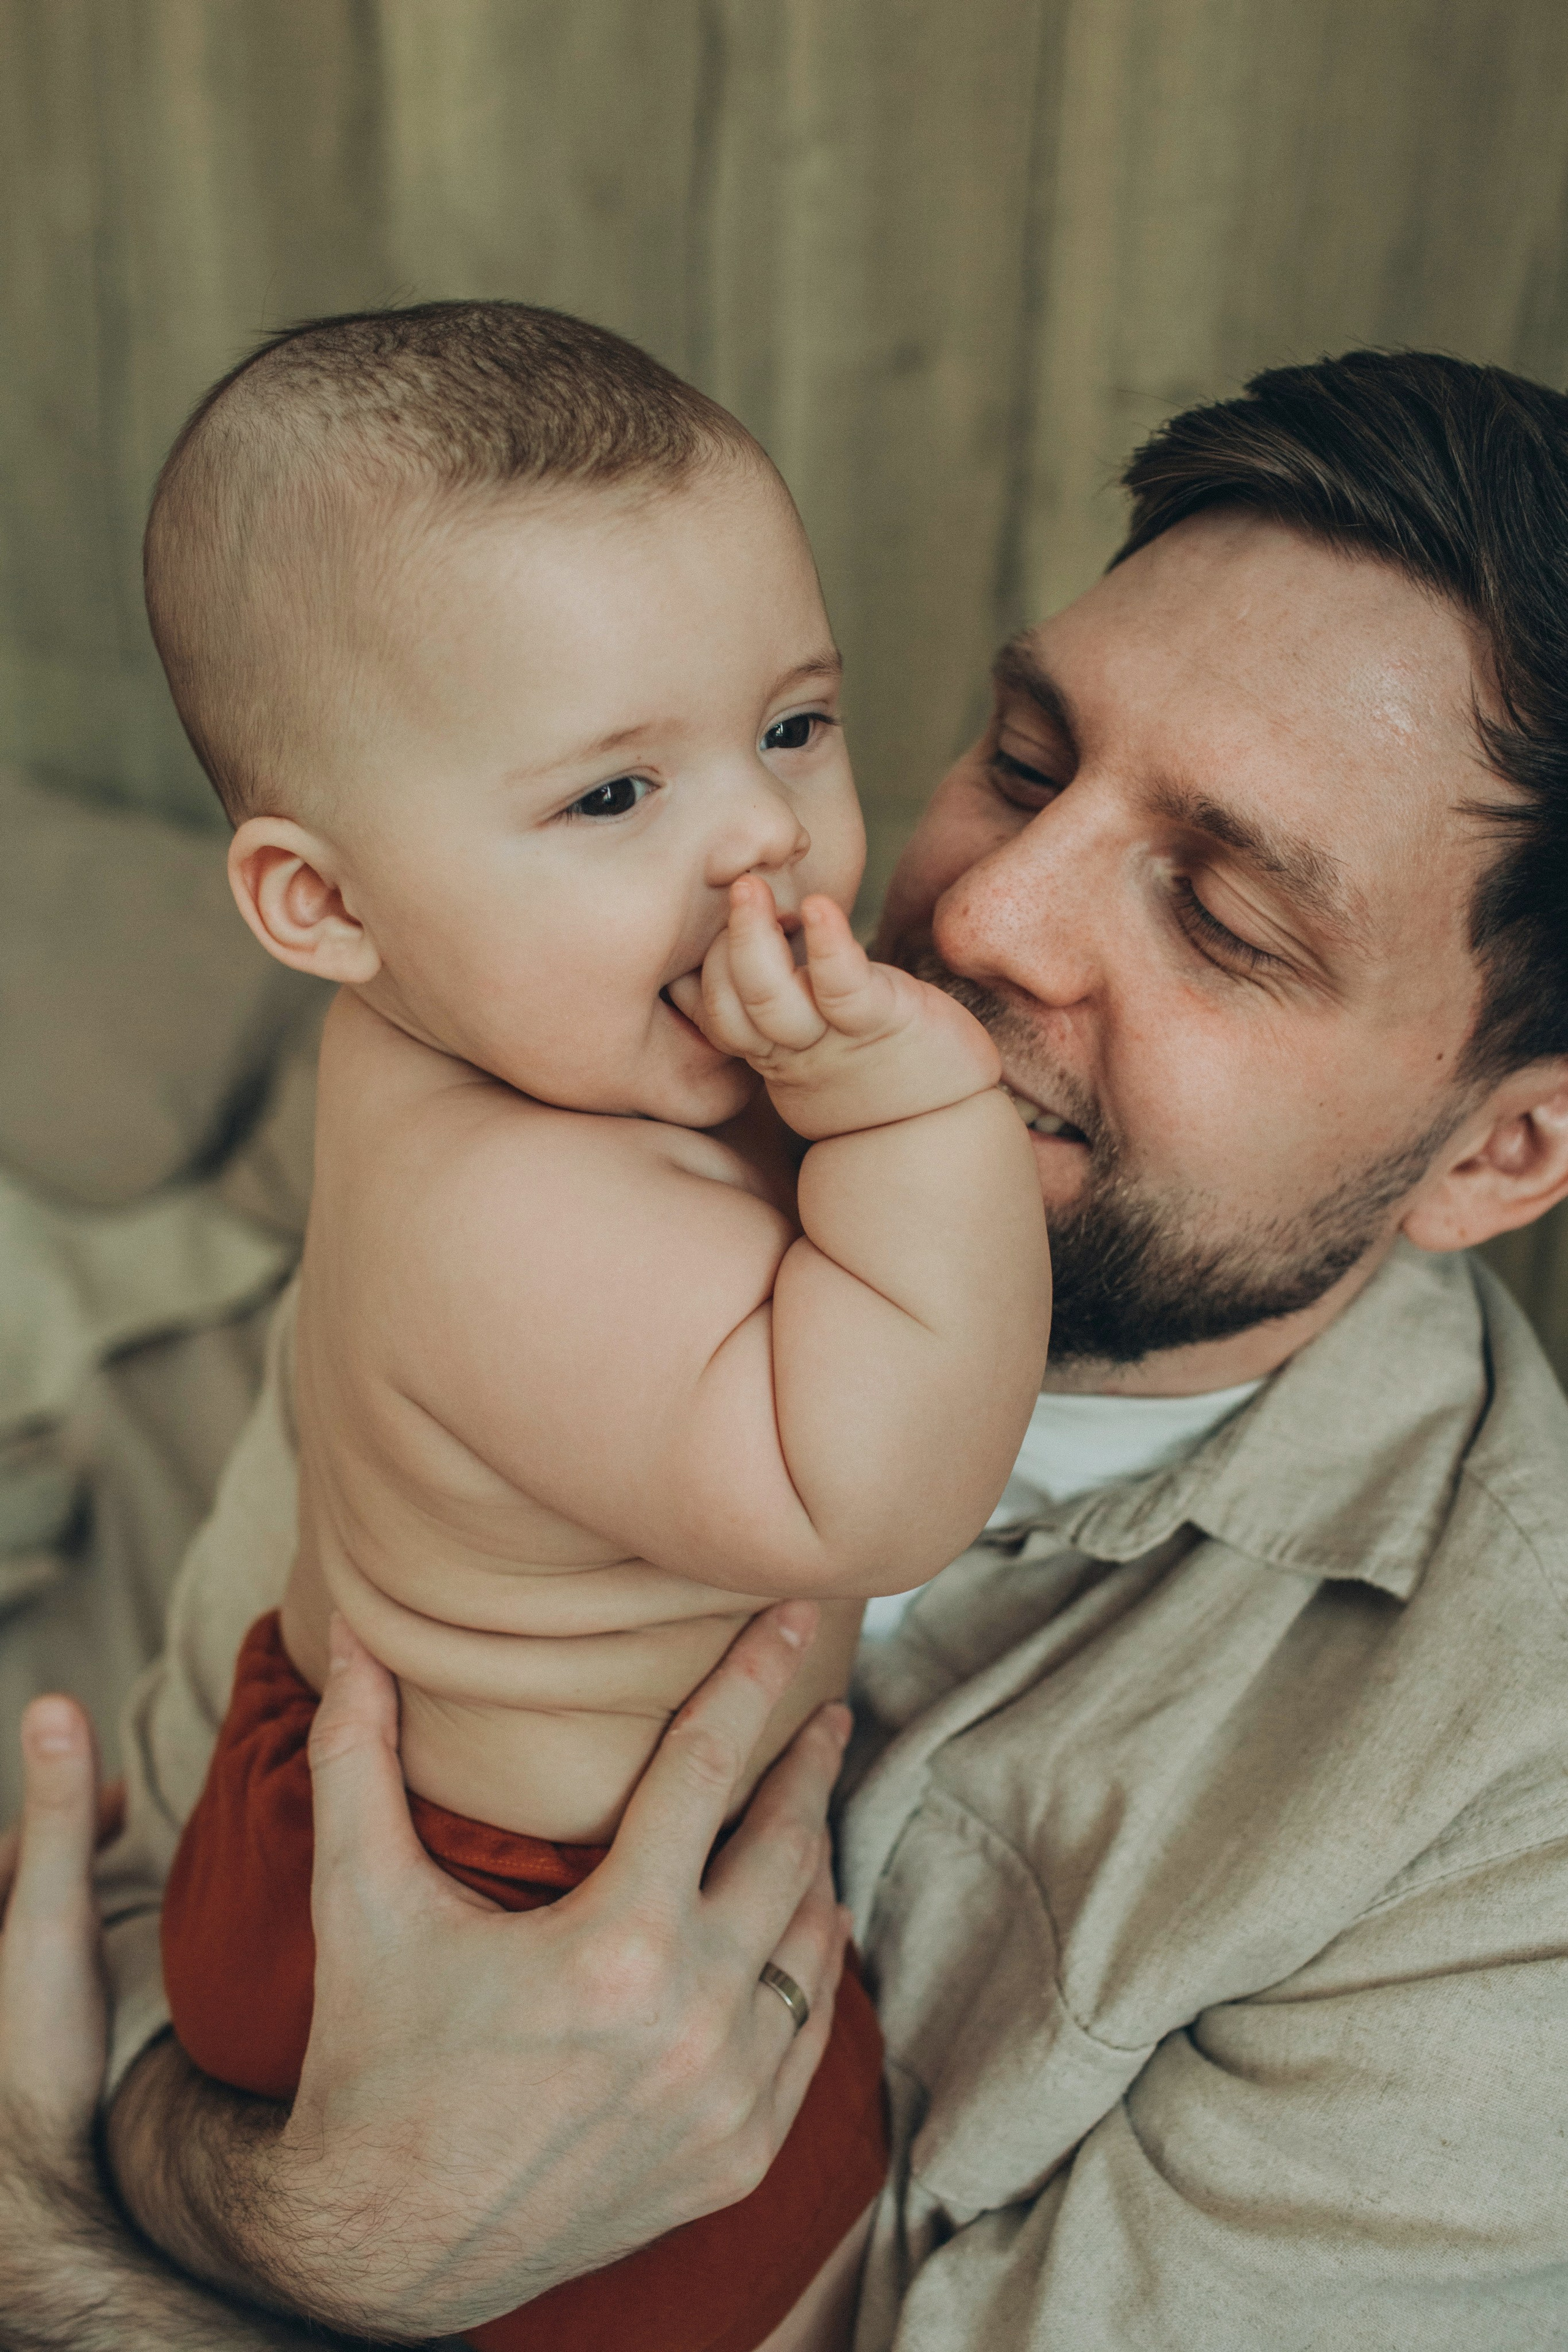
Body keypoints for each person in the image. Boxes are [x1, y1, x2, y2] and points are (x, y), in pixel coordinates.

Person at [7, 345, 1568, 2348]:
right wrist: (305, 2216)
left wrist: (120, 2222)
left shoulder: (1498, 1837)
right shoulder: (559, 1111)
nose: (989, 916)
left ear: (1508, 1148)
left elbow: (67, 2103)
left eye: (1226, 917)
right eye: (1021, 755)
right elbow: (163, 1929)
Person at [141, 301, 1048, 2352]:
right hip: (492, 1934)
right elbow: (872, 1489)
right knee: (788, 2272)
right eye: (614, 793)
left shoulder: (467, 1035)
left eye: (794, 728)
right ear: (324, 906)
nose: (759, 838)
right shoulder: (506, 1209)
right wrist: (921, 1104)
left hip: (409, 1829)